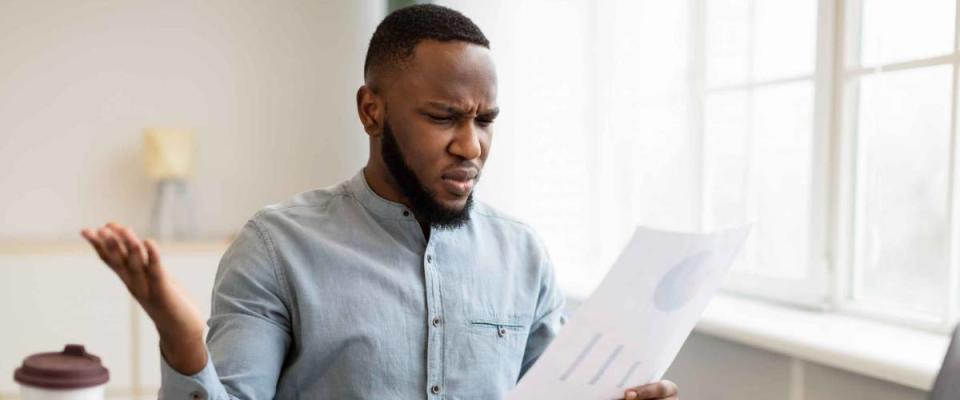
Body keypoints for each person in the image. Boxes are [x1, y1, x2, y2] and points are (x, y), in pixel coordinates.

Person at [80, 4, 680, 399]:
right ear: (372, 110)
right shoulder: (277, 248)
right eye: (444, 117)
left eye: (486, 120)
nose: (471, 145)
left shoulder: (523, 254)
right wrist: (182, 341)